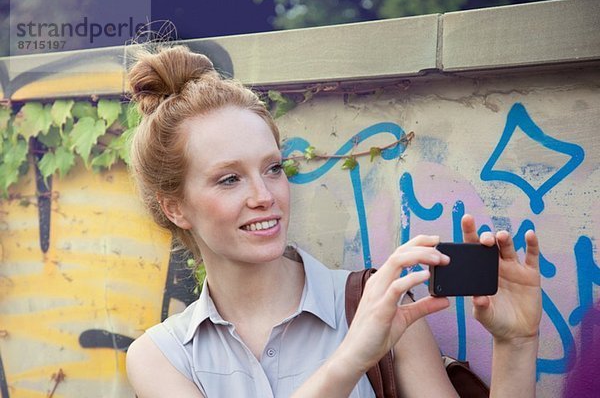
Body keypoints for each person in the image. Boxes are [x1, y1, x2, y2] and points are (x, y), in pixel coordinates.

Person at [125, 45, 542, 398]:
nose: (265, 196)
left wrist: (516, 344)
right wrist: (352, 358)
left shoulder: (379, 303)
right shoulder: (160, 356)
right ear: (175, 207)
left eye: (273, 169)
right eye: (229, 179)